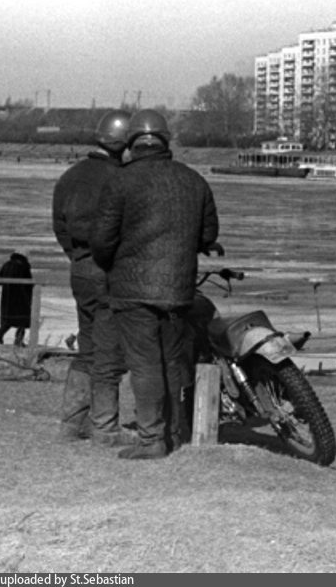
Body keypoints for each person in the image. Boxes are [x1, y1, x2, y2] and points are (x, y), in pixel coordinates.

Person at [91, 109, 219, 460]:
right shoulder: (194, 180)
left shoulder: (120, 181)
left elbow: (101, 240)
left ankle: (151, 440)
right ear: (166, 140)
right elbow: (208, 235)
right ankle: (174, 434)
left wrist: (114, 266)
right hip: (178, 289)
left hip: (132, 290)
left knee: (144, 365)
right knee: (172, 362)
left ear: (132, 141)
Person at [51, 110, 132, 445]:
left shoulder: (70, 176)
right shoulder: (122, 180)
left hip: (80, 270)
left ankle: (72, 424)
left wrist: (78, 257)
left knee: (87, 349)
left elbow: (60, 227)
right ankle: (105, 428)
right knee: (109, 353)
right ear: (123, 145)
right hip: (109, 271)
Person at [0, 252, 33, 347]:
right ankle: (18, 340)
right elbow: (29, 282)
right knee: (23, 319)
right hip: (21, 296)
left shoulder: (7, 264)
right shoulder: (23, 266)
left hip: (7, 297)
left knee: (9, 318)